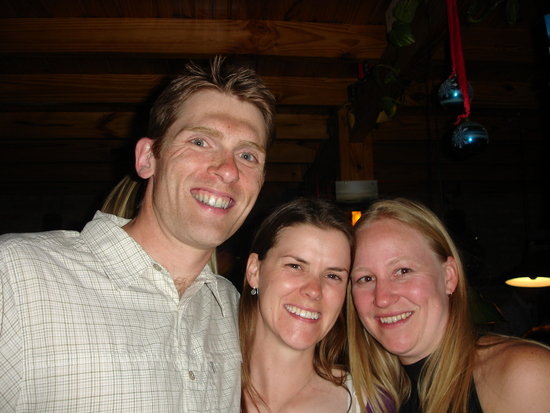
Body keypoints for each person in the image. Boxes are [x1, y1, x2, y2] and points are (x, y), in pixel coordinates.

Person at [0, 56, 276, 412]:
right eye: (200, 141)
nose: (228, 170)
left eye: (248, 156)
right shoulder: (16, 276)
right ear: (147, 158)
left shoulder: (232, 308)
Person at [347, 198, 550, 413]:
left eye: (403, 271)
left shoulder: (523, 375)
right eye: (365, 278)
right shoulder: (374, 398)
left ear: (448, 277)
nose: (382, 298)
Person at [239, 197, 361, 413]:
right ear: (254, 271)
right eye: (295, 266)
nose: (314, 290)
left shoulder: (365, 401)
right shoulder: (200, 387)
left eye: (333, 275)